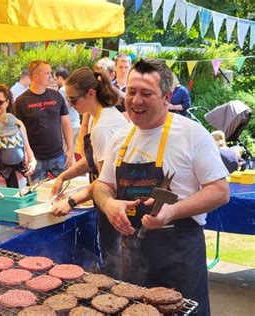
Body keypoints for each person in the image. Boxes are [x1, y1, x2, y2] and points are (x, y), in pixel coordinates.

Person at [92, 58, 229, 314]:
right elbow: (102, 185)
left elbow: (220, 191)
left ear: (167, 97)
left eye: (146, 93)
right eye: (131, 92)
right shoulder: (120, 137)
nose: (135, 100)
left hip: (179, 257)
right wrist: (109, 203)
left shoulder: (192, 134)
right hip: (131, 257)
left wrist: (173, 211)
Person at [51, 68, 128, 278]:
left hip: (117, 205)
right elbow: (92, 160)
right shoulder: (97, 117)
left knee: (116, 265)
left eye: (73, 100)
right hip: (109, 202)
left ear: (91, 94)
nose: (71, 106)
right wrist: (63, 176)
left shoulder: (103, 127)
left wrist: (71, 201)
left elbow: (106, 182)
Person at [14, 60, 74, 182]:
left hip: (58, 155)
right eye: (47, 73)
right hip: (36, 159)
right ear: (36, 76)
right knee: (39, 196)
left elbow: (67, 124)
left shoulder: (56, 96)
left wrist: (70, 149)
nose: (51, 76)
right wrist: (27, 154)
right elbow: (18, 131)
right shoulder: (21, 101)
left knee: (64, 192)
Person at [0, 84, 36, 188]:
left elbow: (27, 148)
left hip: (19, 179)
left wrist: (33, 161)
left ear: (7, 102)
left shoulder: (18, 124)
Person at [55, 67, 81, 155]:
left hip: (69, 125)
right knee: (72, 152)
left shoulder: (63, 90)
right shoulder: (73, 87)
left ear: (60, 78)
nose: (56, 81)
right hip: (76, 123)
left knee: (66, 153)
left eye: (56, 79)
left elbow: (62, 108)